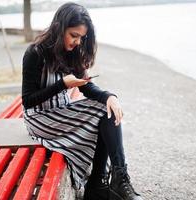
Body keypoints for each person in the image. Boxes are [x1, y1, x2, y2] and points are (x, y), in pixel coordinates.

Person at [22, 2, 142, 200]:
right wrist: (61, 85)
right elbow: (27, 101)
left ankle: (108, 181)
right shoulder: (35, 53)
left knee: (107, 109)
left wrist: (109, 96)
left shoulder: (71, 53)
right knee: (102, 115)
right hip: (39, 118)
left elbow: (86, 87)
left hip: (61, 112)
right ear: (59, 28)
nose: (77, 42)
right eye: (74, 35)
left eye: (81, 37)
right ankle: (102, 184)